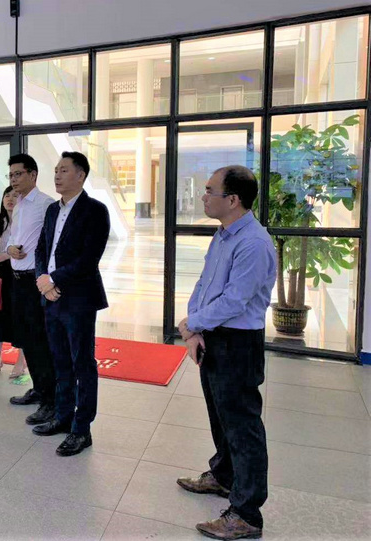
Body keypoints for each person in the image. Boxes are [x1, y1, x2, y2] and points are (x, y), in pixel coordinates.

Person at [176, 165, 275, 540]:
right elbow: (205, 284)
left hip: (238, 343)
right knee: (220, 417)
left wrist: (194, 322)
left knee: (242, 427)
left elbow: (235, 300)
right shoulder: (223, 235)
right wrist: (193, 327)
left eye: (209, 190)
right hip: (214, 336)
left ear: (232, 200)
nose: (203, 196)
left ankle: (246, 513)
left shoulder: (254, 243)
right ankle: (223, 476)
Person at [33, 152, 110, 457]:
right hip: (50, 297)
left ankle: (82, 428)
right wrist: (42, 279)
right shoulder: (53, 210)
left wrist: (54, 279)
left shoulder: (95, 210)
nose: (57, 175)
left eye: (64, 170)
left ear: (81, 175)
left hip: (78, 299)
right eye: (56, 170)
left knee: (82, 363)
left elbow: (89, 259)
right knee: (60, 361)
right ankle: (63, 415)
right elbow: (42, 248)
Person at [5, 154, 56, 426]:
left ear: (33, 175)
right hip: (17, 279)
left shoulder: (46, 204)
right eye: (11, 175)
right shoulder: (19, 204)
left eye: (18, 174)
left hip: (35, 281)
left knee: (40, 342)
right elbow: (13, 238)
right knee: (27, 339)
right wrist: (10, 248)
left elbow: (51, 244)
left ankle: (50, 401)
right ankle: (38, 388)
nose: (13, 180)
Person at [0, 185, 26, 379]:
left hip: (19, 273)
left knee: (19, 315)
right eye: (7, 196)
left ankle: (21, 360)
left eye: (15, 196)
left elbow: (25, 249)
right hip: (0, 274)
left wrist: (4, 256)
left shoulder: (23, 222)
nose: (10, 199)